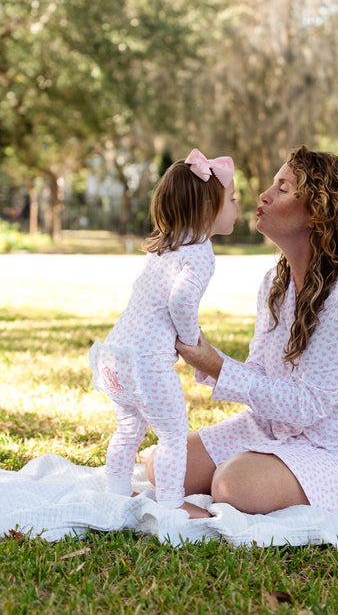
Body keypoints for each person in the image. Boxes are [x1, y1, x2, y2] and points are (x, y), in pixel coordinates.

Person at [146, 145, 338, 517]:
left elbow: (306, 405)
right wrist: (207, 354)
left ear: (318, 212)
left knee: (232, 484)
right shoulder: (275, 284)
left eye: (283, 189)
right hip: (275, 430)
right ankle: (255, 472)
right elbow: (262, 376)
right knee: (164, 465)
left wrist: (218, 366)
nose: (264, 196)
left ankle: (229, 497)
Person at [89, 149, 237, 516]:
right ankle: (171, 506)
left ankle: (117, 493)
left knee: (128, 428)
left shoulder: (164, 246)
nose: (236, 206)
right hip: (147, 364)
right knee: (173, 436)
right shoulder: (200, 251)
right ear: (208, 209)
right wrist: (190, 340)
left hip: (115, 357)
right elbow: (182, 300)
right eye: (232, 199)